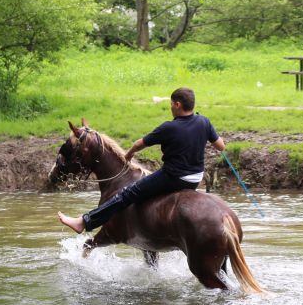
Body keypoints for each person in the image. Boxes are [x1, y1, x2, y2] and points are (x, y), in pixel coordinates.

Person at [58, 87, 226, 234]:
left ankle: (84, 222)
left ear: (177, 105)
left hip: (173, 177)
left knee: (126, 194)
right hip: (195, 179)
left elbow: (139, 144)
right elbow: (221, 146)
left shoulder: (169, 127)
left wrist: (129, 155)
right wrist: (206, 129)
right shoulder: (204, 121)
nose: (170, 108)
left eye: (171, 104)